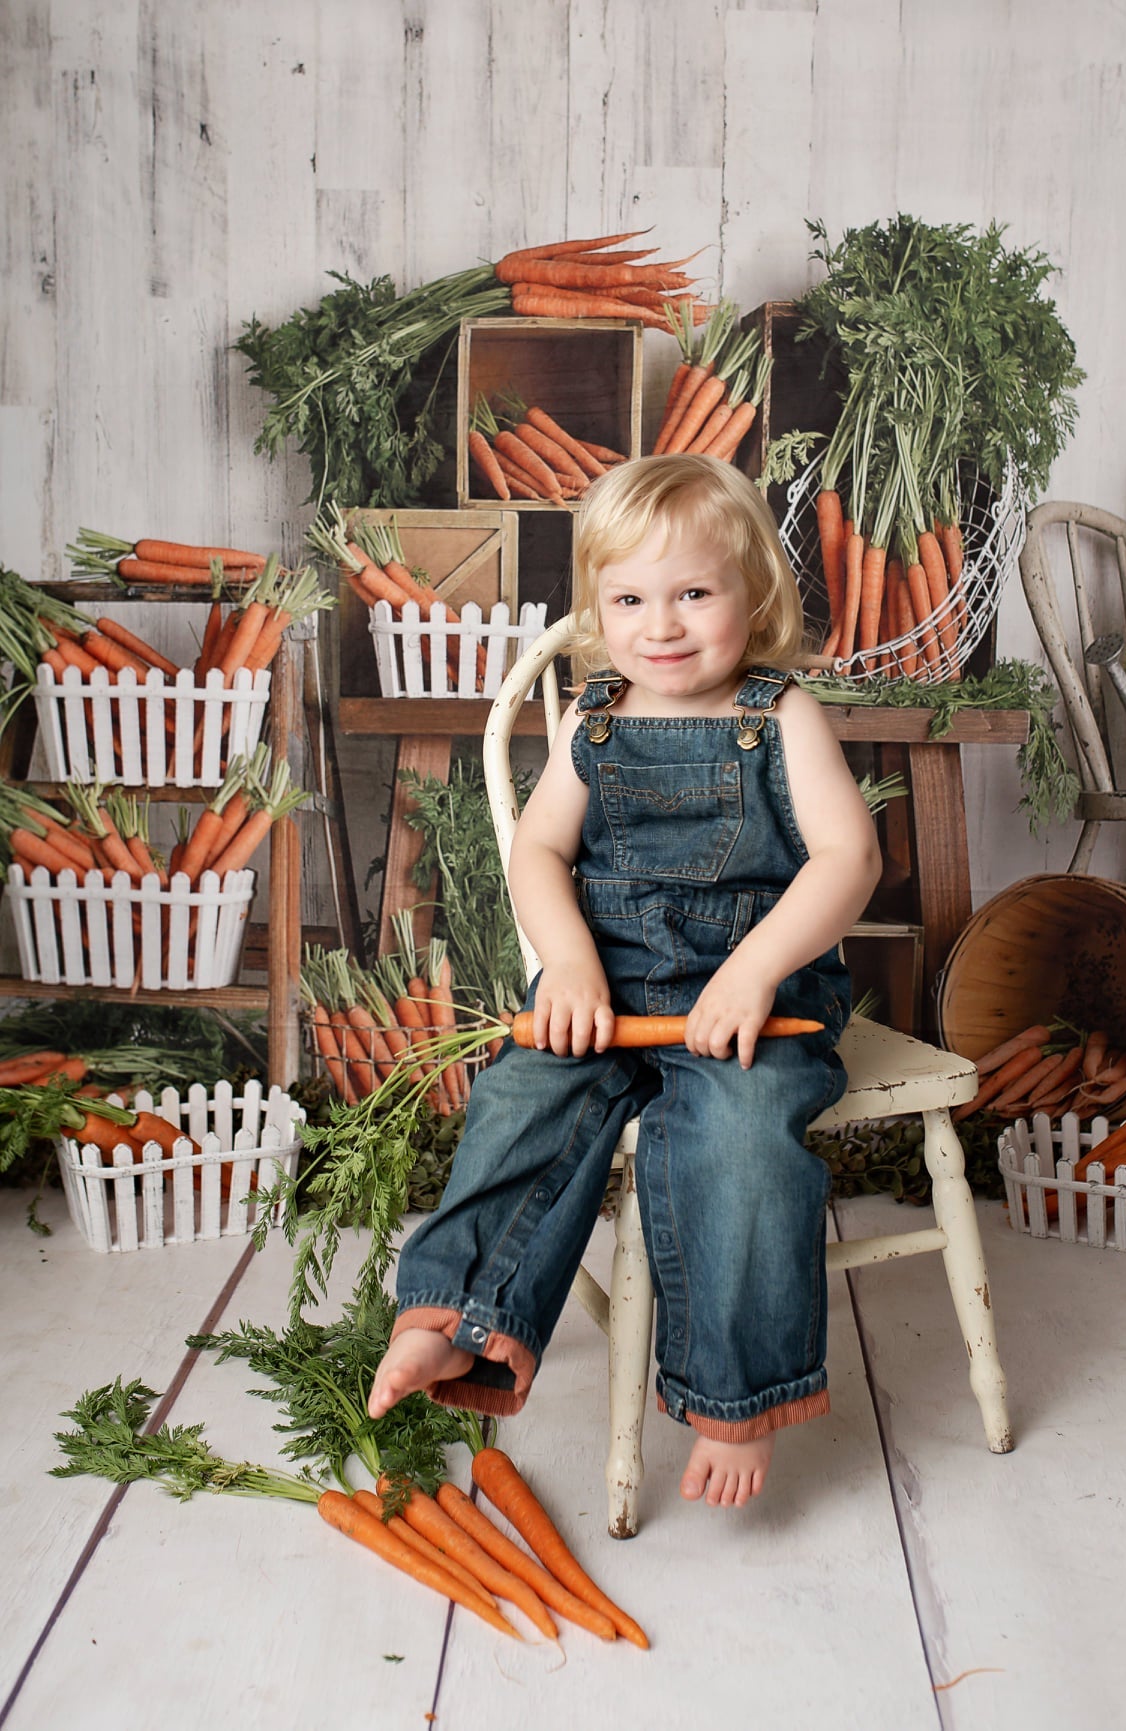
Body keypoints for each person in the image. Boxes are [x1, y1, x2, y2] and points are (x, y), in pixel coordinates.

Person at [367, 453, 882, 1508]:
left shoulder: (780, 715)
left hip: (757, 999)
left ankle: (737, 1400)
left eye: (696, 592)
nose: (665, 623)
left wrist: (751, 972)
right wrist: (566, 962)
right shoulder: (592, 720)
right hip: (605, 986)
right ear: (596, 610)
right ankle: (459, 1325)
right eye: (631, 598)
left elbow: (848, 860)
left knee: (735, 1146)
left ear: (756, 597)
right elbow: (540, 856)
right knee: (519, 1098)